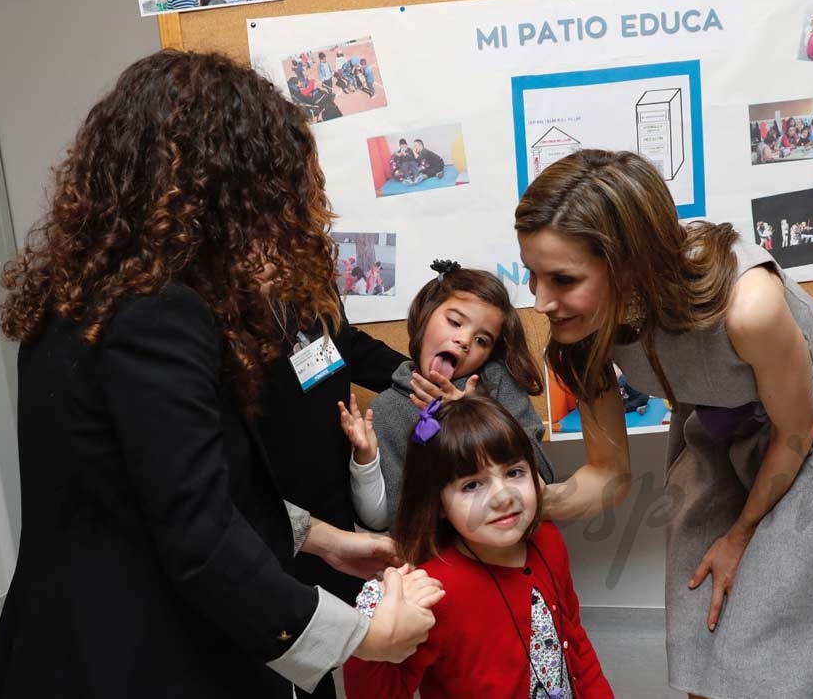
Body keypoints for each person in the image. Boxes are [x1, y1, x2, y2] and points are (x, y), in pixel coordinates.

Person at [0, 50, 442, 699]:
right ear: (221, 188)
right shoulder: (158, 313)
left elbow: (154, 482)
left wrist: (324, 539)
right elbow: (197, 535)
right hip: (135, 656)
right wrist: (364, 633)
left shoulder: (86, 298)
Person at [515, 149, 813, 699]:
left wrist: (739, 535)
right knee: (699, 624)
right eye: (533, 275)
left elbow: (795, 433)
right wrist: (535, 502)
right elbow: (608, 475)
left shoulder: (747, 306)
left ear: (630, 264)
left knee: (757, 649)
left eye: (562, 279)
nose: (541, 301)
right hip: (719, 426)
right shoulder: (582, 329)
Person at [343, 396, 614, 698]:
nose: (502, 497)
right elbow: (378, 691)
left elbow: (574, 636)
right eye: (472, 485)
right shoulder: (432, 590)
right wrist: (368, 629)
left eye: (514, 472)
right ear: (438, 504)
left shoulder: (548, 541)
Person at [257, 299, 408, 699]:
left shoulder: (309, 277)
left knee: (321, 660)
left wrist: (413, 378)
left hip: (328, 513)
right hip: (266, 518)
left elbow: (342, 342)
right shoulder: (208, 300)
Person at [341, 262, 555, 531]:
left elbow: (541, 478)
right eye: (455, 322)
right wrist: (366, 460)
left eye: (482, 340)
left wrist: (470, 413)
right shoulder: (386, 410)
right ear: (424, 315)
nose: (465, 340)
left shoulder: (496, 383)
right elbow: (382, 519)